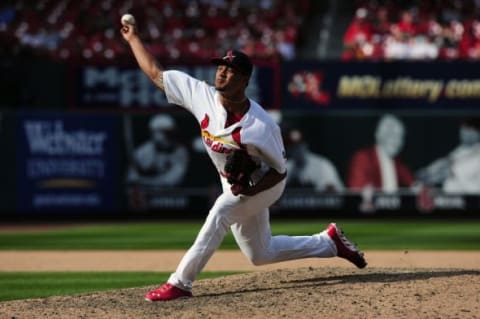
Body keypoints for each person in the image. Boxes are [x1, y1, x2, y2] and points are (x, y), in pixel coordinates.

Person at [120, 20, 366, 302]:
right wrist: (133, 39)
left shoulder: (261, 126)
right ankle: (328, 242)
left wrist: (250, 190)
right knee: (260, 254)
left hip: (266, 184)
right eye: (220, 67)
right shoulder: (201, 95)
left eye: (231, 70)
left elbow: (279, 172)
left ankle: (180, 282)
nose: (222, 73)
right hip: (234, 184)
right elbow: (155, 73)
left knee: (222, 211)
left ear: (244, 81)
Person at [348, 114, 414, 192]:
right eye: (393, 135)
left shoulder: (398, 163)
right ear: (379, 135)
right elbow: (356, 190)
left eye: (401, 137)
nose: (398, 141)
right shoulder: (363, 158)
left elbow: (413, 183)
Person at [417, 118, 480, 194]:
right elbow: (445, 163)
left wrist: (440, 173)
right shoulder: (459, 150)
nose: (465, 132)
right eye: (464, 128)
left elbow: (454, 171)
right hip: (451, 198)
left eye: (469, 129)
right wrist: (429, 171)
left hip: (473, 197)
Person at [127, 114, 189, 187]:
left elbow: (171, 181)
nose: (172, 137)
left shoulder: (181, 152)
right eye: (168, 133)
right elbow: (132, 178)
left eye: (173, 133)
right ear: (156, 134)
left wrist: (142, 181)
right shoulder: (142, 152)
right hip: (148, 195)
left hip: (174, 195)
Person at [285, 127, 344, 192]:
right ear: (288, 148)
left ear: (306, 145)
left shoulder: (322, 165)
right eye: (292, 146)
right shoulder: (286, 167)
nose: (296, 149)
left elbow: (333, 192)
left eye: (299, 145)